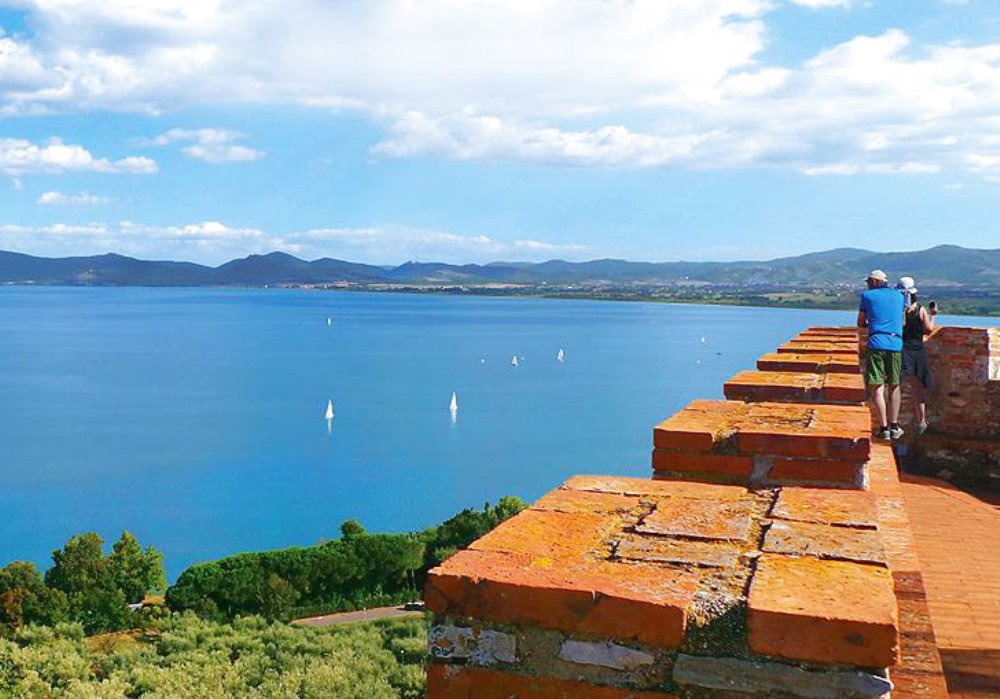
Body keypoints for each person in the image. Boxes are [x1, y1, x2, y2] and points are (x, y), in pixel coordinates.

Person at [858, 269, 905, 440]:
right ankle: (895, 425)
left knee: (877, 386)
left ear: (875, 281)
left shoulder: (867, 296)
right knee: (894, 384)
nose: (868, 284)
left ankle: (883, 427)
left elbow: (861, 322)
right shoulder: (900, 296)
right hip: (896, 343)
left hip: (876, 342)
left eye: (869, 281)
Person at [897, 277, 937, 434]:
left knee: (895, 386)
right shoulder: (920, 309)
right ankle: (921, 422)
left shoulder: (898, 310)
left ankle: (892, 421)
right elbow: (929, 329)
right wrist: (933, 314)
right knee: (918, 388)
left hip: (901, 349)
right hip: (917, 350)